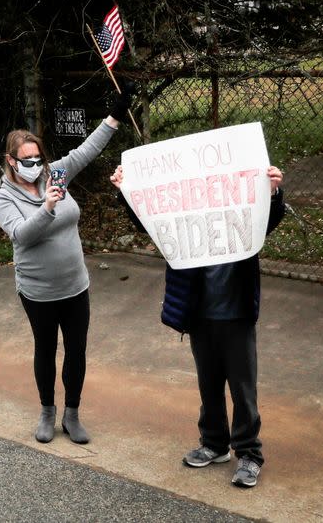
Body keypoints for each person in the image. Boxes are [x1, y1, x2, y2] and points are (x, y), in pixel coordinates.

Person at [109, 163, 285, 487]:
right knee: (209, 385)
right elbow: (152, 222)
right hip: (200, 316)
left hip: (236, 316)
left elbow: (268, 219)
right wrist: (126, 194)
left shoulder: (242, 213)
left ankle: (249, 453)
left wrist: (272, 193)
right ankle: (215, 444)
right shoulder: (184, 218)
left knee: (243, 389)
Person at [0, 87, 133, 444]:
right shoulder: (4, 196)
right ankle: (47, 412)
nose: (34, 164)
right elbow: (22, 235)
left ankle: (72, 413)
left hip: (75, 286)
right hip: (38, 292)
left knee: (77, 350)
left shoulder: (55, 174)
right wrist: (48, 207)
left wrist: (114, 116)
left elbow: (86, 150)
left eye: (37, 156)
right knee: (45, 349)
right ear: (11, 161)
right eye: (26, 159)